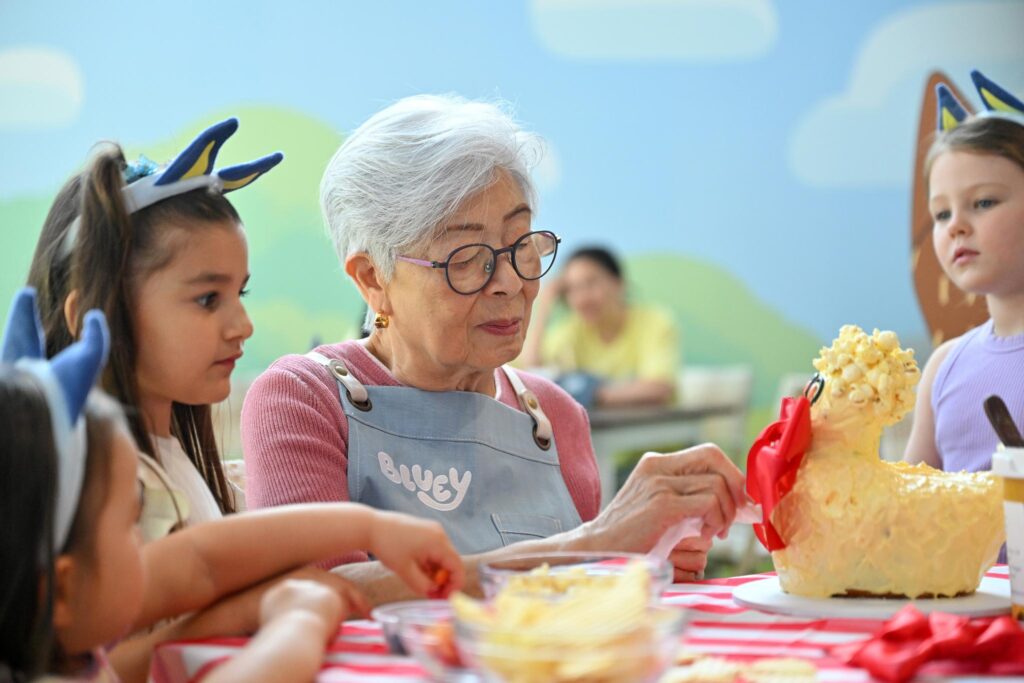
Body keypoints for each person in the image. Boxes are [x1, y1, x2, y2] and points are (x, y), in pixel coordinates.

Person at [242, 94, 746, 605]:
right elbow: (308, 596)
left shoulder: (555, 416)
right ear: (373, 278)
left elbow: (574, 603)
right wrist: (596, 547)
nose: (509, 282)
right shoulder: (303, 399)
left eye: (520, 244)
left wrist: (638, 565)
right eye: (467, 258)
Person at [0, 289, 462, 683]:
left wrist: (369, 527)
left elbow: (202, 560)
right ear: (61, 590)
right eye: (130, 521)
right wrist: (299, 620)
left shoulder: (56, 627)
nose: (146, 543)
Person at [27, 118, 276, 529]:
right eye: (208, 299)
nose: (243, 326)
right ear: (92, 318)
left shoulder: (172, 460)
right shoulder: (109, 487)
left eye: (240, 294)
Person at [904, 70, 1024, 479]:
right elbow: (907, 510)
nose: (955, 225)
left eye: (984, 201)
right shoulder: (944, 368)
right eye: (941, 213)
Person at [521, 245, 680, 408]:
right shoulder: (572, 329)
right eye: (572, 289)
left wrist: (587, 392)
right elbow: (533, 367)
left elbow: (660, 388)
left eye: (590, 283)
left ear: (619, 283)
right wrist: (545, 306)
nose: (582, 299)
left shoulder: (654, 322)